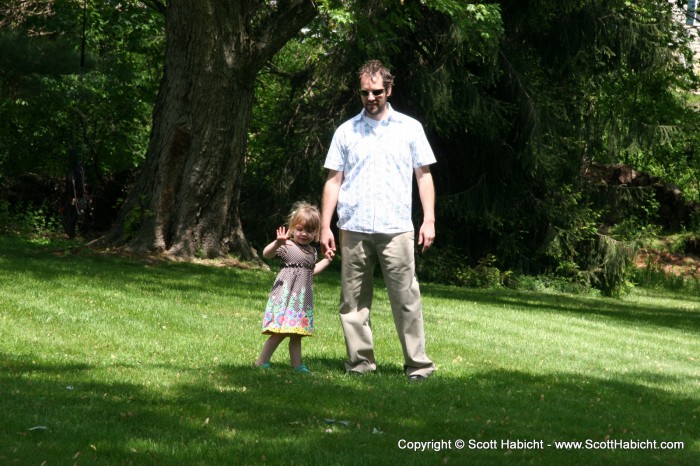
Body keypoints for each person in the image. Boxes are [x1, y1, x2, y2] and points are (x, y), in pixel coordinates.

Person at [321, 59, 437, 381]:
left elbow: (423, 176)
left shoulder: (410, 128)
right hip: (353, 228)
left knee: (406, 300)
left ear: (389, 89)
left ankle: (418, 366)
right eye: (364, 92)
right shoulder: (346, 132)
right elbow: (333, 180)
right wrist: (325, 225)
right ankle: (360, 364)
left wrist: (429, 219)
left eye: (376, 91)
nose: (370, 98)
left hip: (396, 227)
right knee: (353, 303)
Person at [255, 202, 332, 372]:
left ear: (316, 232)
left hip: (301, 299)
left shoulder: (312, 251)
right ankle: (262, 361)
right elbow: (266, 254)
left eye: (310, 231)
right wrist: (277, 243)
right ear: (292, 228)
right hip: (286, 296)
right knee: (280, 332)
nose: (304, 234)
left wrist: (326, 260)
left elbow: (312, 271)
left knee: (297, 334)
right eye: (300, 229)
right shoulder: (287, 246)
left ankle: (297, 366)